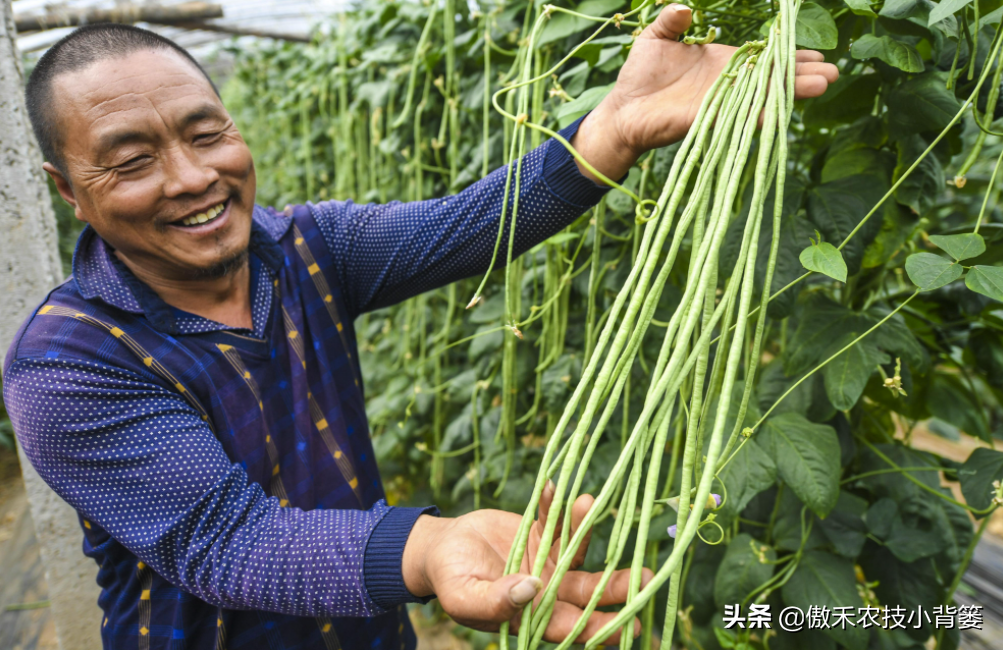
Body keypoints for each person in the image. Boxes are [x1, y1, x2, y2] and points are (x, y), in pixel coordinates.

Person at [4, 5, 837, 649]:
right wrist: (427, 548)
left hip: (369, 630)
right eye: (131, 159)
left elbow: (469, 223)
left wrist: (611, 130)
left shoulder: (306, 251)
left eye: (205, 132)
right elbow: (227, 541)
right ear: (67, 188)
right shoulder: (67, 362)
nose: (191, 177)